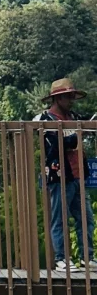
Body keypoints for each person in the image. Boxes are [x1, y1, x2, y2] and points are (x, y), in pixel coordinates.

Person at [37, 79, 97, 271]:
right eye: (68, 96)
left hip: (78, 174)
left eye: (72, 96)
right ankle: (61, 258)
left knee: (86, 218)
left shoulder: (73, 116)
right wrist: (80, 132)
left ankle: (87, 257)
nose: (72, 100)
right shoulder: (46, 120)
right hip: (59, 175)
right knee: (60, 218)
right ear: (58, 98)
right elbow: (57, 145)